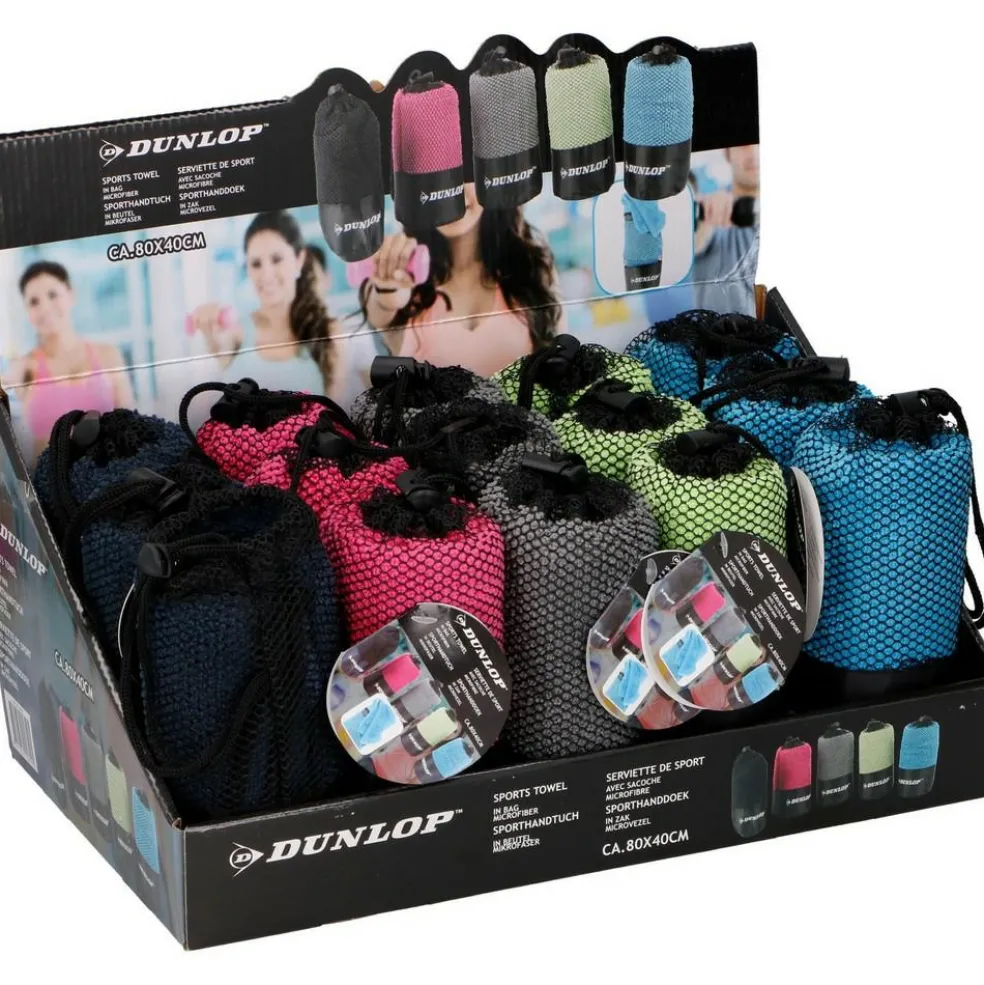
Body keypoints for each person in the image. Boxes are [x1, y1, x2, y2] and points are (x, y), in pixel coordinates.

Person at [360, 184, 561, 377]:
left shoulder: (532, 266)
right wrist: (388, 293)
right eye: (435, 175)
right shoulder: (398, 273)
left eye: (465, 171)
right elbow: (380, 308)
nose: (450, 190)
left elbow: (559, 371)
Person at [188, 211, 343, 401]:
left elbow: (335, 410)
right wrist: (211, 334)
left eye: (276, 259)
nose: (266, 274)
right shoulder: (237, 332)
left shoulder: (329, 332)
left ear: (299, 260)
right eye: (256, 264)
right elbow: (219, 347)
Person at [8, 261, 134, 459]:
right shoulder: (23, 367)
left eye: (52, 295)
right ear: (27, 311)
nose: (45, 308)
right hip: (48, 476)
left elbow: (130, 427)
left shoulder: (108, 355)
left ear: (71, 295)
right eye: (34, 302)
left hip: (108, 472)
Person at [692, 145, 760, 315]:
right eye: (744, 145)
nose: (754, 154)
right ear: (727, 153)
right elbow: (696, 241)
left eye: (759, 145)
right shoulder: (711, 214)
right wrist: (701, 220)